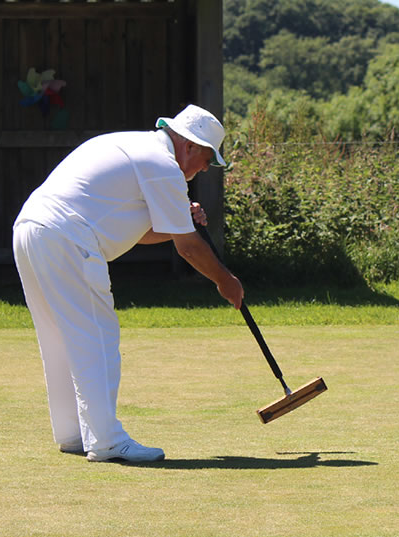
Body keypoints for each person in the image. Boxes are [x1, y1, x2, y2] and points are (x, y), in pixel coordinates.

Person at [13, 104, 243, 463]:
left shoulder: (134, 147)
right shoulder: (164, 165)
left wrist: (179, 220)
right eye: (207, 160)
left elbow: (138, 232)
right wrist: (226, 281)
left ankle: (75, 434)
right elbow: (189, 248)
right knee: (98, 337)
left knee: (59, 337)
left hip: (30, 230)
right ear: (189, 146)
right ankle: (105, 440)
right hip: (67, 238)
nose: (204, 169)